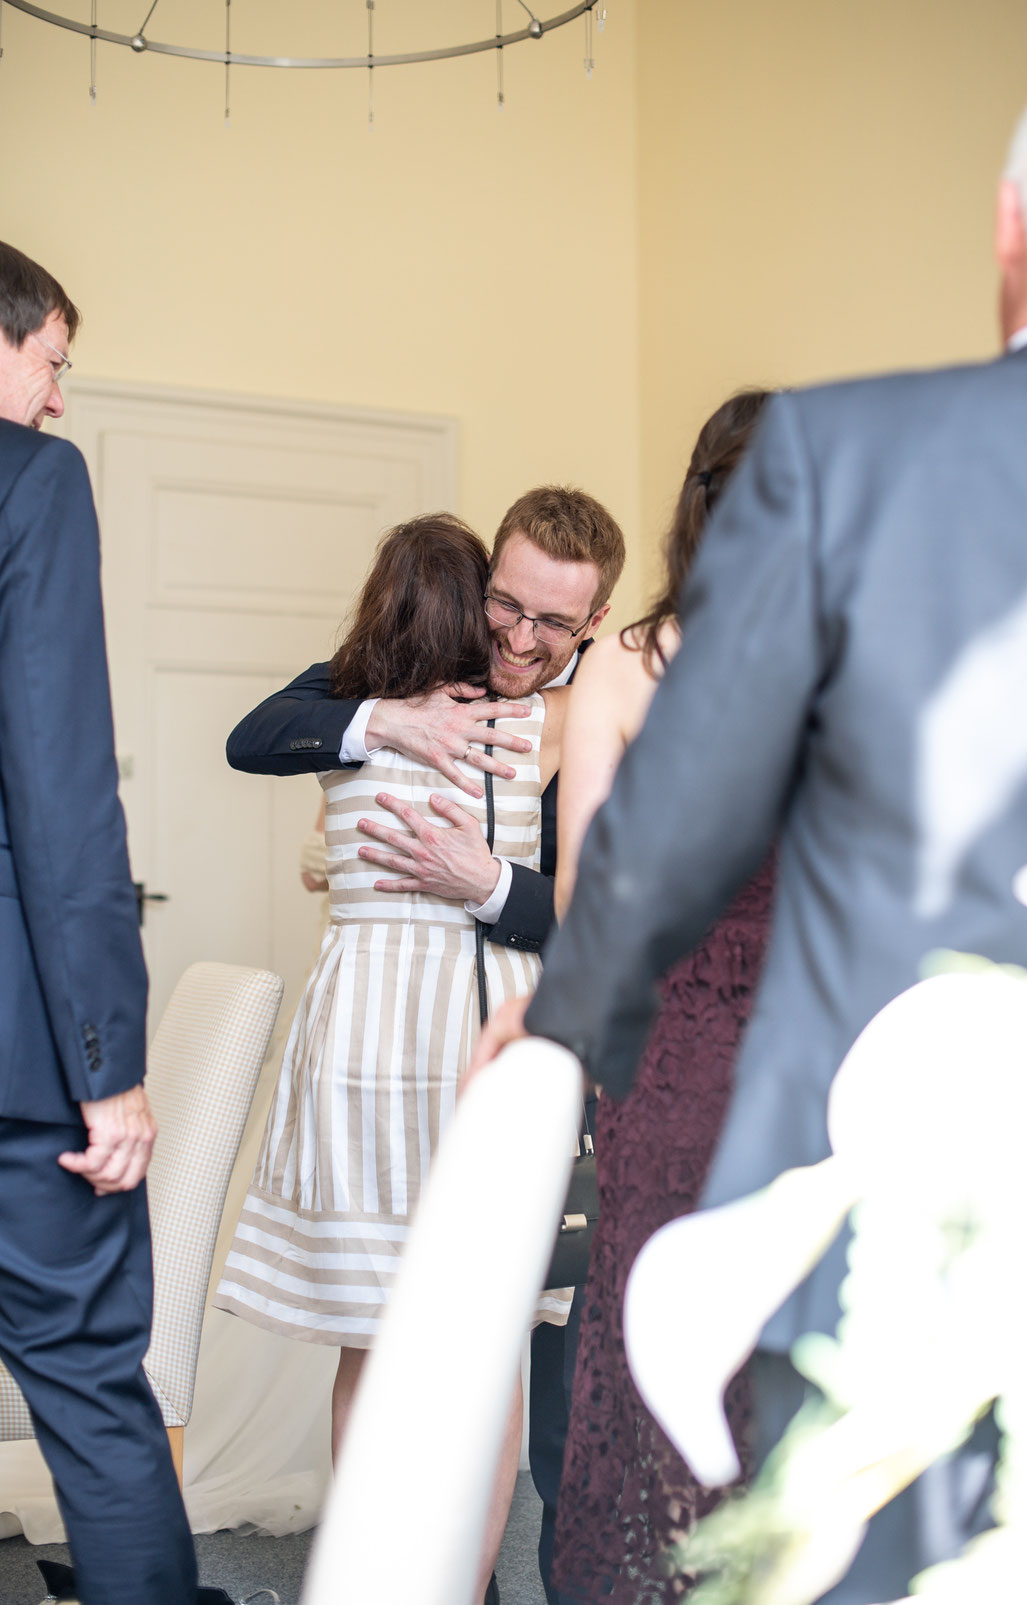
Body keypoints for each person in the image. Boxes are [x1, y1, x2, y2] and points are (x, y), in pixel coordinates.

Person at [473, 67, 1027, 1605]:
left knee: (816, 1434)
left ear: (1007, 227)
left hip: (820, 1074)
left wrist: (560, 1014)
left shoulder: (865, 468)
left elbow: (641, 854)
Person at [225, 485, 626, 1605]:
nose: (517, 636)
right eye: (505, 604)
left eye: (550, 623)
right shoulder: (373, 695)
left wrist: (489, 883)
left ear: (589, 625)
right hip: (390, 1046)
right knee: (385, 1333)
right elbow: (257, 733)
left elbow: (620, 914)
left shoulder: (596, 721)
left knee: (521, 1354)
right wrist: (391, 724)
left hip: (518, 1042)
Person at [549, 391, 773, 1602]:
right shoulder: (631, 666)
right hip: (706, 1059)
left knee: (714, 1365)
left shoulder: (634, 668)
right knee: (710, 1365)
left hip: (758, 1059)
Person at [0, 240, 197, 1604]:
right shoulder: (31, 482)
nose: (58, 399)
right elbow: (61, 788)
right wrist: (108, 1062)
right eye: (50, 361)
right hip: (17, 1063)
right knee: (86, 1383)